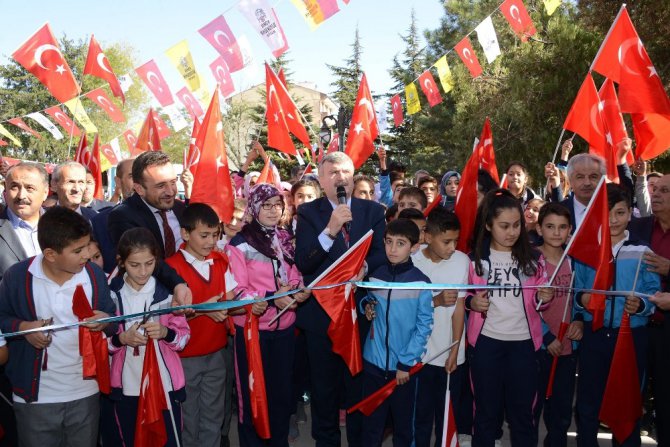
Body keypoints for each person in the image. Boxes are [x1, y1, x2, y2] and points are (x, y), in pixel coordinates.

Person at [0, 206, 116, 447]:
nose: (87, 254)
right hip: (35, 398)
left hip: (85, 391)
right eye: (78, 250)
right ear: (51, 254)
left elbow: (114, 321)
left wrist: (104, 321)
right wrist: (24, 328)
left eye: (87, 245)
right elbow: (2, 317)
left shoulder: (94, 275)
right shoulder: (17, 277)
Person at [294, 152, 386, 447]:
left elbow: (382, 254)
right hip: (321, 316)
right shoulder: (309, 214)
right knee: (324, 390)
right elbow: (304, 262)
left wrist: (367, 267)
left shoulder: (372, 211)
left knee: (357, 384)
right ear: (321, 180)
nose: (340, 178)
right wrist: (331, 229)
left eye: (345, 171)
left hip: (358, 313)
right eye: (333, 173)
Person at [465, 189, 554, 446]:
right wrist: (473, 302)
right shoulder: (474, 260)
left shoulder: (535, 259)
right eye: (504, 226)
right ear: (489, 225)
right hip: (487, 344)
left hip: (524, 346)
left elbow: (539, 299)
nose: (512, 232)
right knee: (485, 415)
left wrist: (543, 297)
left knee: (523, 417)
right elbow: (464, 297)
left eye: (517, 225)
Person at [574, 184, 659, 447]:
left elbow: (653, 293)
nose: (613, 220)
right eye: (607, 213)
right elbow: (575, 291)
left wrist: (642, 306)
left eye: (620, 213)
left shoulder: (642, 250)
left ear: (630, 214)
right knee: (588, 403)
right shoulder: (587, 250)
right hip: (595, 334)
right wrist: (582, 300)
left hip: (630, 335)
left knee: (627, 403)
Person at [227, 184, 310, 446]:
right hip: (253, 332)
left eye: (278, 204)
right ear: (254, 207)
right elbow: (238, 290)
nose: (274, 210)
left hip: (284, 329)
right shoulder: (239, 244)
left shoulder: (284, 238)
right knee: (253, 396)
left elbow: (295, 275)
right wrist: (273, 295)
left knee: (281, 395)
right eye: (267, 205)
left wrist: (298, 291)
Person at [108, 228, 190, 446]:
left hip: (164, 385)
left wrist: (166, 333)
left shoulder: (168, 293)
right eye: (135, 265)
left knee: (169, 440)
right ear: (121, 261)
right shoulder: (111, 294)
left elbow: (183, 337)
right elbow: (100, 340)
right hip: (127, 385)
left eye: (150, 263)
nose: (143, 271)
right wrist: (122, 339)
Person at [165, 203, 238, 447]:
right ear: (185, 234)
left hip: (216, 353)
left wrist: (250, 303)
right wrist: (205, 310)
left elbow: (231, 298)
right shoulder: (170, 269)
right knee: (188, 418)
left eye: (215, 235)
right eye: (204, 235)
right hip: (184, 357)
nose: (211, 242)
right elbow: (167, 319)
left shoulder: (220, 261)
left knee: (213, 416)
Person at [359, 219, 433, 446]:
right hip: (373, 363)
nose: (392, 249)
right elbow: (369, 300)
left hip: (403, 370)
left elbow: (425, 327)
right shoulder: (376, 275)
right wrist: (366, 305)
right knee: (371, 428)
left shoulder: (421, 282)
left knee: (403, 429)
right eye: (389, 242)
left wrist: (405, 363)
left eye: (400, 243)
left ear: (414, 247)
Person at [412, 208, 471, 447]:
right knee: (421, 415)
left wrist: (455, 350)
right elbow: (407, 307)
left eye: (455, 241)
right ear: (427, 236)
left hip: (450, 352)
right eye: (446, 241)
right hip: (420, 354)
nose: (452, 247)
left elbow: (459, 308)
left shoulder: (462, 261)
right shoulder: (413, 260)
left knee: (447, 415)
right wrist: (435, 301)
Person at [107, 151, 191, 305]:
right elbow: (148, 259)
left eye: (173, 182)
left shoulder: (181, 210)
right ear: (139, 189)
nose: (171, 191)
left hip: (188, 296)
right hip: (150, 304)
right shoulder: (122, 216)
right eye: (161, 186)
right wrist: (177, 284)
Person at [534, 203, 582, 447]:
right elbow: (524, 306)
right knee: (531, 411)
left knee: (561, 413)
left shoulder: (574, 261)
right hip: (538, 349)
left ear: (570, 230)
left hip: (566, 350)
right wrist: (546, 337)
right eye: (550, 227)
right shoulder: (531, 261)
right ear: (539, 229)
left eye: (562, 227)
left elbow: (581, 299)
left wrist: (579, 321)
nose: (556, 232)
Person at [629, 174, 670, 444]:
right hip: (638, 327)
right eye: (654, 189)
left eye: (664, 190)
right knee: (631, 399)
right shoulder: (639, 227)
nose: (655, 194)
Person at [0, 162, 48, 279]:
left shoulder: (62, 226)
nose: (21, 195)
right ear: (5, 191)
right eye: (14, 187)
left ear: (45, 193)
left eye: (29, 188)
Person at [91, 158, 136, 273]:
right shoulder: (99, 222)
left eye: (142, 176)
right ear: (118, 182)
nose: (138, 182)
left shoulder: (164, 216)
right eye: (132, 176)